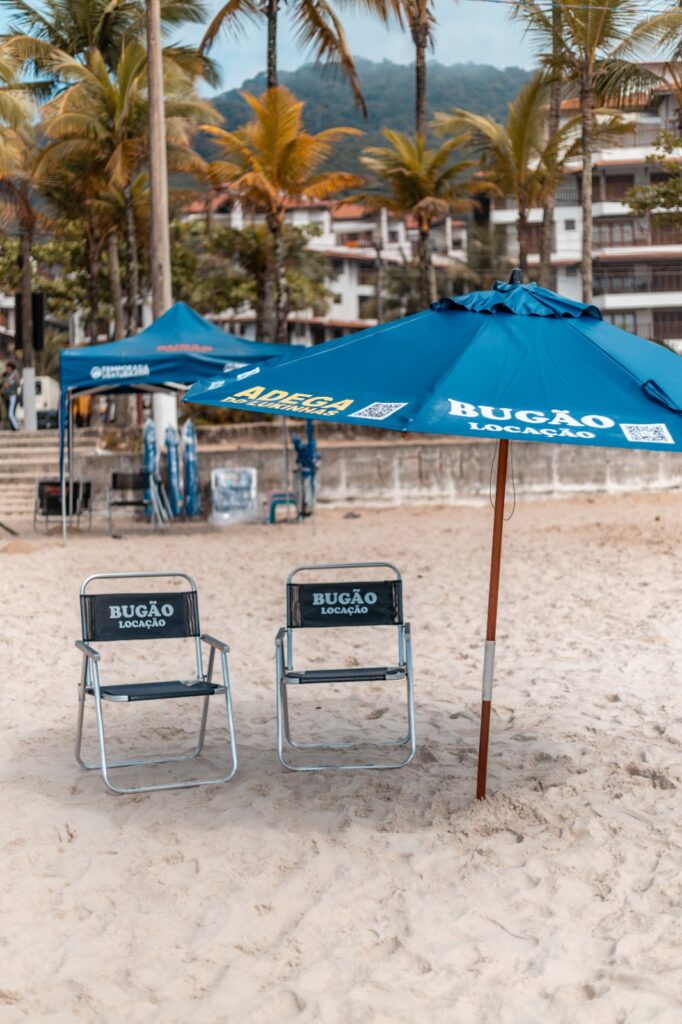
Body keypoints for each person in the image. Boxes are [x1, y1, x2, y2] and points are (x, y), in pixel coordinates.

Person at [1, 360, 20, 431]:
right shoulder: (9, 374)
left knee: (10, 413)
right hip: (9, 396)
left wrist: (9, 385)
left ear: (11, 368)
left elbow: (17, 384)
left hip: (13, 396)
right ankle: (14, 427)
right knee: (11, 413)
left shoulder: (14, 374)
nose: (7, 369)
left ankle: (16, 427)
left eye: (8, 368)